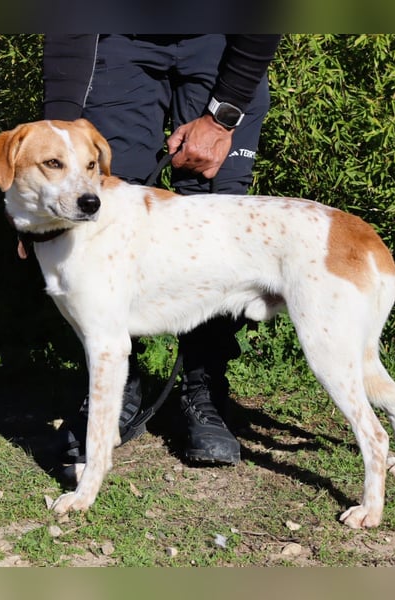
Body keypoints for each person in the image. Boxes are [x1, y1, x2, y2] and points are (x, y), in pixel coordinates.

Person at [42, 34, 281, 467]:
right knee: (106, 209)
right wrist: (57, 131)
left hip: (221, 41)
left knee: (218, 222)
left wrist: (222, 118)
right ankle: (115, 390)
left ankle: (204, 388)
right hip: (116, 42)